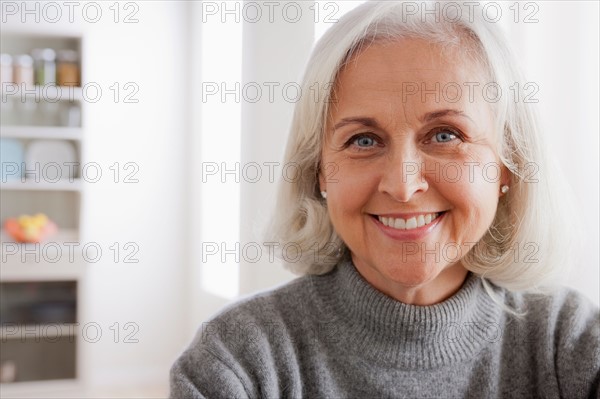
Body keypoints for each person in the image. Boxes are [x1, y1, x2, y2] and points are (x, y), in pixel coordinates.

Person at [170, 2, 599, 397]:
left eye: (446, 135)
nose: (403, 184)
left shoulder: (572, 344)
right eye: (363, 140)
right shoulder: (236, 362)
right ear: (319, 170)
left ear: (506, 164)